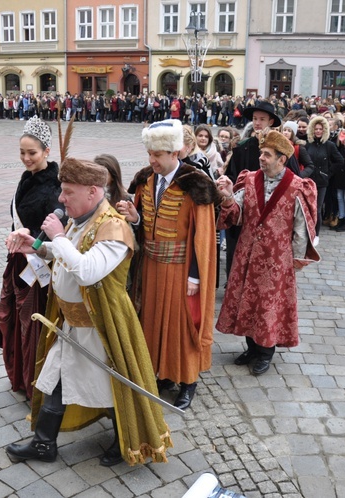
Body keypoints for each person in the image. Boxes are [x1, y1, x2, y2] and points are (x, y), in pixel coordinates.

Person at [4, 158, 172, 467]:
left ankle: (127, 440)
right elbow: (66, 254)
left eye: (68, 192)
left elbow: (87, 271)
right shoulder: (79, 220)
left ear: (93, 192)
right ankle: (44, 444)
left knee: (111, 386)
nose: (61, 198)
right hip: (72, 322)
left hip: (103, 326)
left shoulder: (114, 227)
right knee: (55, 376)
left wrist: (57, 237)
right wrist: (37, 247)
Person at [117, 119, 220, 410]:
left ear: (175, 153)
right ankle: (163, 373)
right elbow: (141, 224)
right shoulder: (144, 179)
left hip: (181, 269)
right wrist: (134, 217)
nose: (152, 160)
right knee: (152, 322)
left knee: (182, 325)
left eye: (158, 155)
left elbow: (204, 237)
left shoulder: (196, 184)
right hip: (149, 267)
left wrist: (196, 277)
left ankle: (188, 381)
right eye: (149, 154)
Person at [215, 129, 320, 375]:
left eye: (267, 154)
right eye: (261, 153)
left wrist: (295, 259)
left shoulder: (297, 186)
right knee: (247, 302)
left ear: (282, 159)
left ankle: (265, 352)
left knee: (269, 306)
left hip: (276, 258)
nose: (261, 158)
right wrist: (228, 196)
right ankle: (251, 347)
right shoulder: (250, 179)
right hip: (248, 254)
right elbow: (237, 214)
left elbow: (300, 227)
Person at [0, 117, 64, 398]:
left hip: (40, 265)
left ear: (47, 151)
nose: (26, 158)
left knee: (33, 322)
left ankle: (35, 380)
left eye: (32, 153)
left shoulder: (55, 186)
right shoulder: (27, 178)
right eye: (22, 153)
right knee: (17, 320)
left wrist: (30, 235)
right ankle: (21, 375)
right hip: (20, 262)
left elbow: (56, 230)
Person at [224, 101, 281, 277]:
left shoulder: (280, 147)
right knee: (238, 246)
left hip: (270, 208)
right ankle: (234, 278)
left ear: (270, 122)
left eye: (262, 119)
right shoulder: (242, 147)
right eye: (255, 119)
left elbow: (291, 177)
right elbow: (232, 177)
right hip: (246, 206)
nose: (257, 123)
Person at [305, 115, 344, 236]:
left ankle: (315, 234)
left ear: (324, 130)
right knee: (307, 208)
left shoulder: (329, 145)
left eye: (320, 129)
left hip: (322, 182)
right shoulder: (307, 144)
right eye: (316, 129)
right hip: (308, 181)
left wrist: (328, 173)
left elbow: (340, 161)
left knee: (317, 209)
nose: (318, 131)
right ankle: (306, 232)